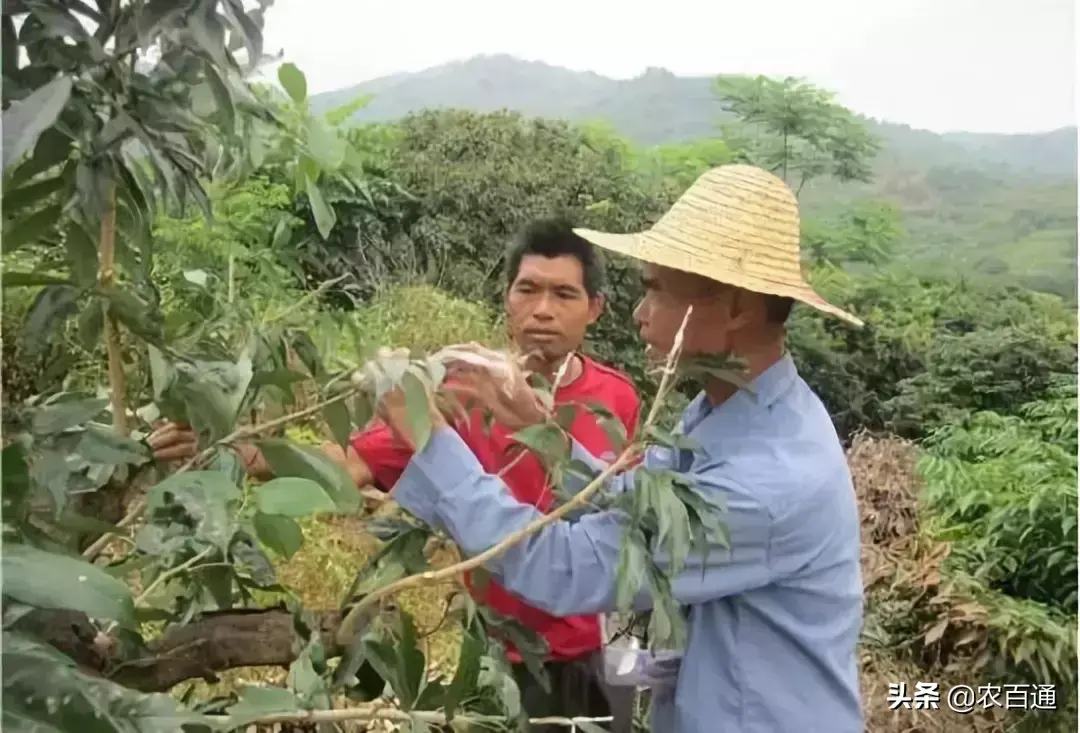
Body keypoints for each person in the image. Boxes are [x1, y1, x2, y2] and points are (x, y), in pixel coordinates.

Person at [373, 165, 867, 733]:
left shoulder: (773, 481)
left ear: (736, 307)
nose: (640, 313)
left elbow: (566, 567)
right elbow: (637, 502)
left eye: (656, 289)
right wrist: (548, 434)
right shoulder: (721, 414)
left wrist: (430, 439)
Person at [146, 219, 642, 732]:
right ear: (507, 298)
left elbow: (617, 510)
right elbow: (347, 465)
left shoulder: (617, 399)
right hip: (489, 646)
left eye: (564, 294)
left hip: (574, 648)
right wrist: (232, 452)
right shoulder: (458, 390)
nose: (543, 309)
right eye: (528, 289)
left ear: (595, 309)